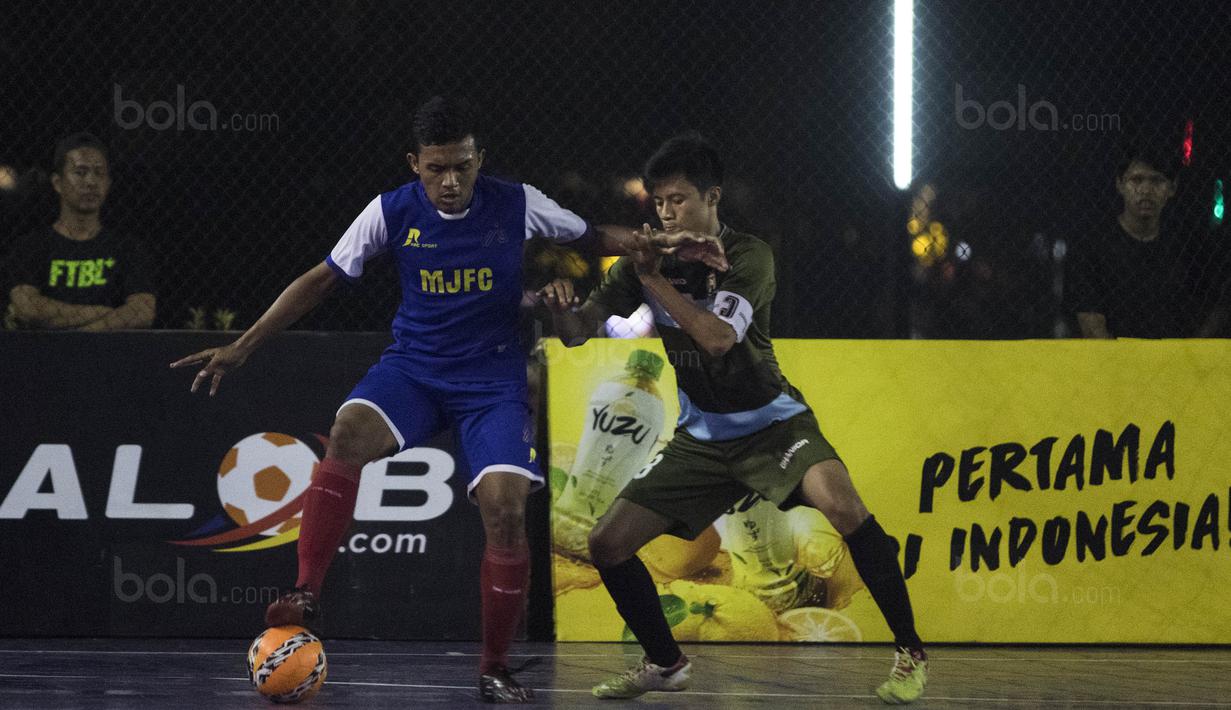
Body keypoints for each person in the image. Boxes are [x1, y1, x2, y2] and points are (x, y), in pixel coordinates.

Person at [171, 97, 722, 704]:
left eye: (463, 166)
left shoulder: (516, 202)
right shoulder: (389, 212)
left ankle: (494, 666)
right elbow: (320, 278)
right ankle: (305, 591)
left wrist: (663, 245)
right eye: (437, 168)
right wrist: (244, 346)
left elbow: (594, 236)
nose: (452, 180)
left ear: (478, 160)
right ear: (415, 164)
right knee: (349, 430)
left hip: (492, 381)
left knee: (506, 511)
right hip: (415, 370)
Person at [543, 133, 929, 704]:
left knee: (845, 508)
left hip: (775, 427)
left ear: (712, 198)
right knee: (607, 543)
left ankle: (910, 653)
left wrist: (651, 280)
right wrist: (563, 312)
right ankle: (665, 661)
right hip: (701, 440)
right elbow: (579, 334)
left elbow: (719, 339)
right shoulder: (646, 262)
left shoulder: (749, 256)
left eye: (677, 200)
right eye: (658, 203)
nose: (666, 212)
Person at [1069, 141, 1225, 338]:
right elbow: (1091, 324)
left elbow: (1215, 308)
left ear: (1172, 187)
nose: (1146, 190)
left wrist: (1192, 354)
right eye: (1136, 180)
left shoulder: (1188, 245)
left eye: (1157, 181)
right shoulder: (1092, 246)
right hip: (1114, 362)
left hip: (1177, 360)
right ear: (1120, 184)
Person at [5, 133, 155, 330]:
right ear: (58, 183)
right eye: (80, 172)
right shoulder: (31, 246)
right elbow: (27, 308)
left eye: (99, 173)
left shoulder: (127, 248)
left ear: (108, 183)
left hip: (110, 355)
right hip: (44, 356)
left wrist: (85, 332)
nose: (91, 182)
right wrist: (107, 315)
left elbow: (142, 312)